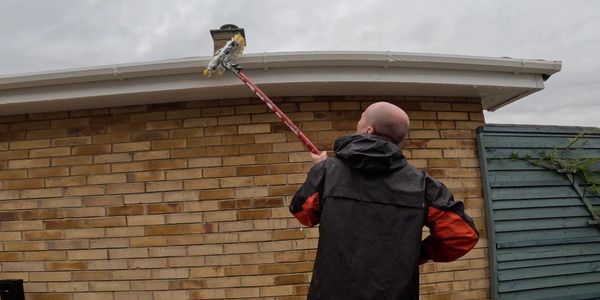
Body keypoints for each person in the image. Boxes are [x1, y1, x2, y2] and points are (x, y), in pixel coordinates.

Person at [289, 102, 479, 300]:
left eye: (361, 117)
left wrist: (321, 172)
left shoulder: (327, 172)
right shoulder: (423, 186)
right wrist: (418, 254)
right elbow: (461, 236)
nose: (358, 122)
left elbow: (304, 214)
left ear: (368, 130)